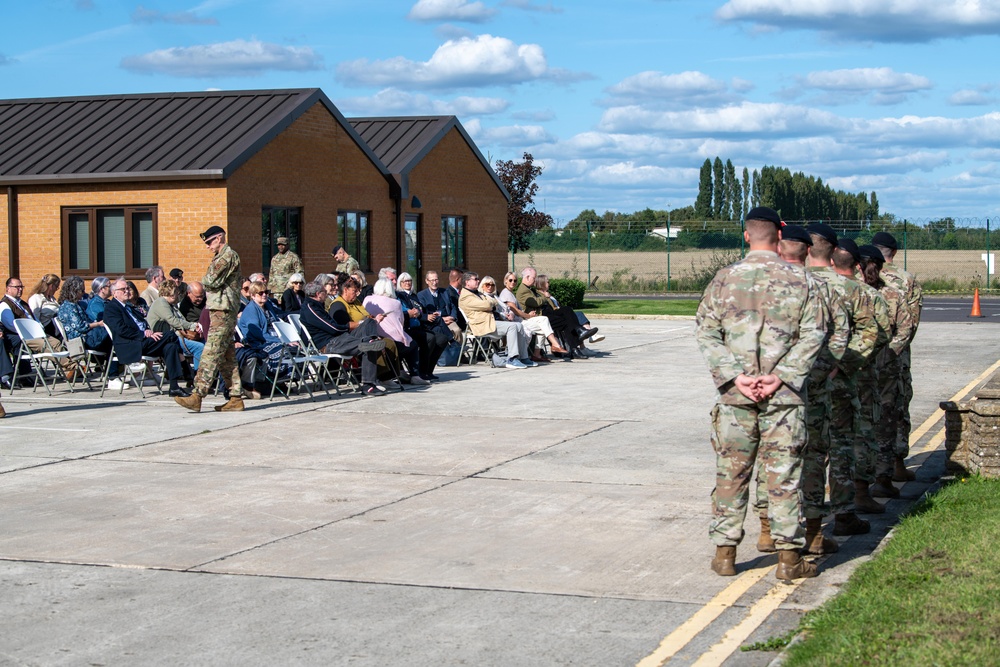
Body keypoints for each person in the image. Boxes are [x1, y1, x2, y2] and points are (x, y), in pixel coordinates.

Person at [694, 207, 826, 582]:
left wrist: (735, 376)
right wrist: (781, 377)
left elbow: (705, 332)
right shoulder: (802, 281)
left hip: (736, 398)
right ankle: (788, 560)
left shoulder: (724, 279)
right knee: (783, 476)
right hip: (783, 398)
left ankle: (725, 554)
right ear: (779, 236)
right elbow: (815, 333)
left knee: (731, 474)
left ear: (747, 235)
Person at [835, 238, 891, 514]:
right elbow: (882, 336)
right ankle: (859, 493)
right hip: (862, 374)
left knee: (826, 435)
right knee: (862, 432)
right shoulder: (870, 296)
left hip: (824, 374)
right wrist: (854, 361)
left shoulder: (820, 288)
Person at [858, 245, 914, 500]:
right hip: (887, 368)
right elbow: (905, 329)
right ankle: (882, 477)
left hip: (854, 366)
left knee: (851, 423)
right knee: (886, 421)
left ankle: (847, 481)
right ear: (881, 267)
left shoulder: (850, 290)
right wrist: (889, 354)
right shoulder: (894, 293)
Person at [174, 226, 245, 413]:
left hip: (223, 311)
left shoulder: (228, 256)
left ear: (219, 238)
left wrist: (203, 280)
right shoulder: (220, 257)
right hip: (219, 309)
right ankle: (235, 397)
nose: (207, 247)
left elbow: (211, 280)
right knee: (227, 357)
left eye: (209, 242)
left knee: (210, 353)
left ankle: (197, 395)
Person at [872, 231, 923, 482]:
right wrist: (894, 350)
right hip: (896, 355)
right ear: (894, 252)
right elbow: (911, 324)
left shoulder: (862, 277)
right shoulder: (906, 280)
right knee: (896, 407)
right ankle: (896, 462)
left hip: (864, 355)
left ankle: (862, 467)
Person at [299, 280, 387, 396]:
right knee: (368, 345)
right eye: (324, 292)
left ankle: (370, 340)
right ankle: (368, 385)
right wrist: (347, 327)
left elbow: (334, 327)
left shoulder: (318, 306)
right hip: (329, 343)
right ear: (317, 294)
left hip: (340, 338)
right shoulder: (310, 308)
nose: (327, 293)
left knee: (370, 322)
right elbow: (333, 328)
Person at [104, 278, 189, 397]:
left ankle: (174, 387)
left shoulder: (128, 306)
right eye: (123, 289)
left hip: (143, 341)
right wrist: (143, 334)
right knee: (170, 335)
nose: (127, 291)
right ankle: (187, 370)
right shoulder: (112, 308)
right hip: (131, 344)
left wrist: (148, 330)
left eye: (128, 288)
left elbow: (142, 323)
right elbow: (121, 330)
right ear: (114, 293)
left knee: (170, 346)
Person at [2, 276, 77, 383]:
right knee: (45, 346)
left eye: (21, 286)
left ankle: (68, 369)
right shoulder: (5, 304)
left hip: (37, 333)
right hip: (24, 336)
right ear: (8, 288)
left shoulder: (22, 303)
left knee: (55, 342)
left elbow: (34, 318)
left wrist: (39, 328)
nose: (20, 289)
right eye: (16, 287)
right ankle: (72, 366)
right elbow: (11, 325)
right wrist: (31, 331)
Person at [458, 272, 535, 369]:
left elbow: (493, 302)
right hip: (482, 325)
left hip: (490, 322)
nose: (478, 280)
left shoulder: (478, 293)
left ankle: (523, 357)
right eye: (475, 279)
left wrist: (490, 303)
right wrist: (490, 304)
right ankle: (512, 358)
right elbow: (488, 304)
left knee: (518, 325)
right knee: (512, 327)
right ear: (467, 282)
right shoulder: (465, 297)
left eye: (478, 279)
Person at [516, 267, 596, 357]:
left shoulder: (529, 289)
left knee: (567, 310)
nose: (535, 281)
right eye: (533, 278)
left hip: (546, 313)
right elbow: (536, 302)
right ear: (527, 277)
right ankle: (575, 347)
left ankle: (579, 332)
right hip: (538, 317)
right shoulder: (523, 291)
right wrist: (545, 297)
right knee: (566, 322)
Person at [364, 278, 429, 385]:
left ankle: (401, 371)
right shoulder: (395, 303)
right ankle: (415, 375)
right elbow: (401, 323)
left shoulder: (367, 299)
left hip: (372, 335)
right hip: (391, 339)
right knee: (412, 344)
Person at [397, 272, 448, 382]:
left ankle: (429, 370)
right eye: (404, 281)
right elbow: (402, 312)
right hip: (407, 328)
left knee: (442, 339)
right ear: (400, 283)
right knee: (430, 338)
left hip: (419, 325)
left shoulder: (414, 296)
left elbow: (420, 312)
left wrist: (423, 315)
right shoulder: (400, 295)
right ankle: (420, 371)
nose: (407, 283)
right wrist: (416, 314)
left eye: (409, 280)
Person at [147, 279, 204, 371]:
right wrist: (192, 326)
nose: (178, 295)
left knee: (204, 342)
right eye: (177, 292)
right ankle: (198, 376)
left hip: (175, 336)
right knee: (199, 347)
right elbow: (173, 321)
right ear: (172, 293)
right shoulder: (161, 302)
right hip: (167, 339)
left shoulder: (171, 305)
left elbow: (181, 320)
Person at [237, 281, 286, 388]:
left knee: (296, 349)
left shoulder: (267, 305)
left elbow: (280, 317)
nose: (264, 295)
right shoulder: (251, 310)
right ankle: (272, 382)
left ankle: (282, 382)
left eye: (266, 292)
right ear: (253, 295)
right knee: (283, 349)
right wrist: (281, 340)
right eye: (260, 293)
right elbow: (259, 334)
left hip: (274, 338)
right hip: (259, 342)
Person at [57, 275, 113, 359]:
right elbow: (81, 327)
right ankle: (112, 369)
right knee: (113, 338)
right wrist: (98, 324)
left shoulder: (75, 304)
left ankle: (110, 368)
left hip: (86, 337)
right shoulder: (69, 307)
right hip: (81, 340)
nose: (84, 293)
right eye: (82, 290)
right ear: (74, 291)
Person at [417, 271, 462, 342]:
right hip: (435, 323)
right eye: (432, 280)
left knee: (457, 330)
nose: (434, 282)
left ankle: (458, 351)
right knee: (440, 334)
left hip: (449, 320)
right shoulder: (421, 295)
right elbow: (425, 311)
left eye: (436, 280)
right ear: (426, 281)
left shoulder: (445, 292)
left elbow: (452, 306)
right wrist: (441, 319)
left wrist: (452, 317)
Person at [267, 236, 304, 303]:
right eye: (279, 245)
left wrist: (298, 288)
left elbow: (299, 273)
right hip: (276, 290)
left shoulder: (293, 257)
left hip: (288, 289)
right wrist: (269, 289)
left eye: (282, 245)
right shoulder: (274, 258)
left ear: (287, 245)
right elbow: (271, 274)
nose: (280, 247)